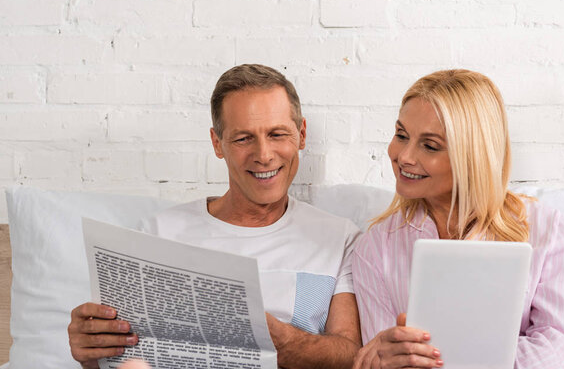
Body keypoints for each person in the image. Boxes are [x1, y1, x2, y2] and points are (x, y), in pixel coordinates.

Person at [68, 64, 362, 369]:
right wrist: (90, 353)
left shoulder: (339, 238)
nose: (263, 154)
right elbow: (126, 355)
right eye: (243, 139)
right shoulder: (158, 233)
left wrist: (283, 341)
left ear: (301, 134)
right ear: (217, 143)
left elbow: (351, 354)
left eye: (277, 134)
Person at [352, 69, 564, 369]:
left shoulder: (545, 230)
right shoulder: (375, 249)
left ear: (472, 156)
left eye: (430, 145)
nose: (404, 156)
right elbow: (387, 357)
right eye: (401, 135)